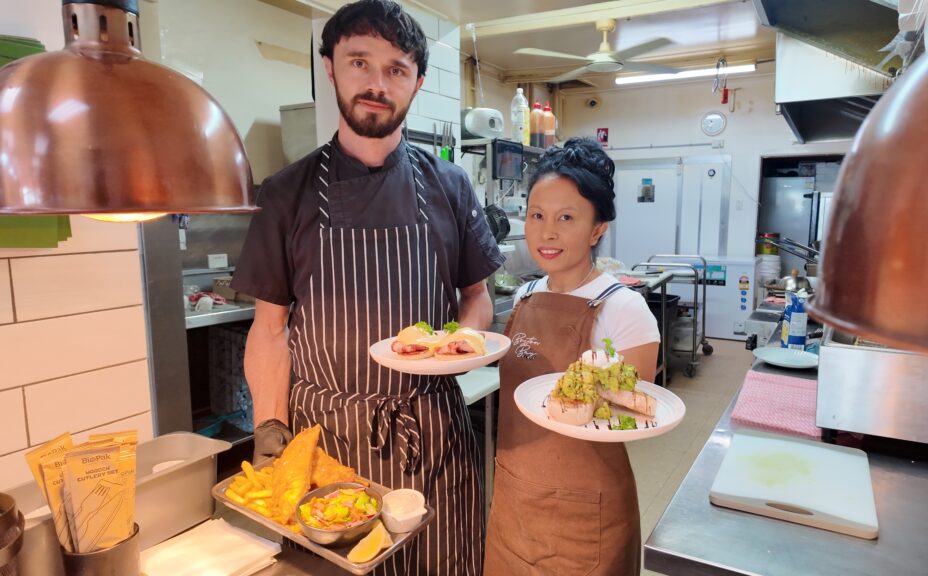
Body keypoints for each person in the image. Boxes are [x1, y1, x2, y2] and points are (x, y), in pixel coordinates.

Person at [231, 1, 503, 574]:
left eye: (397, 70)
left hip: (432, 433)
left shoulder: (449, 186)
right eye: (360, 62)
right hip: (327, 444)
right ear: (330, 66)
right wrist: (270, 430)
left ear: (417, 83)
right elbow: (271, 328)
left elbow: (478, 296)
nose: (377, 85)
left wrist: (456, 347)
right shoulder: (286, 195)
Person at [483, 138, 660, 575]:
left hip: (584, 514)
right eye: (537, 216)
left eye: (567, 218)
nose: (547, 232)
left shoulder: (623, 308)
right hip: (513, 500)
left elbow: (631, 416)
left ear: (597, 228)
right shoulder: (525, 295)